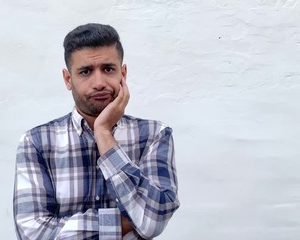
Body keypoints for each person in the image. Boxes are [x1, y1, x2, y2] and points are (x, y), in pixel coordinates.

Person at [13, 23, 179, 240]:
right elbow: (32, 232)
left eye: (108, 69)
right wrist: (119, 223)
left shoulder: (154, 135)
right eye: (86, 72)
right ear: (68, 79)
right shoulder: (36, 142)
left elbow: (153, 222)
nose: (99, 82)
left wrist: (103, 132)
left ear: (123, 73)